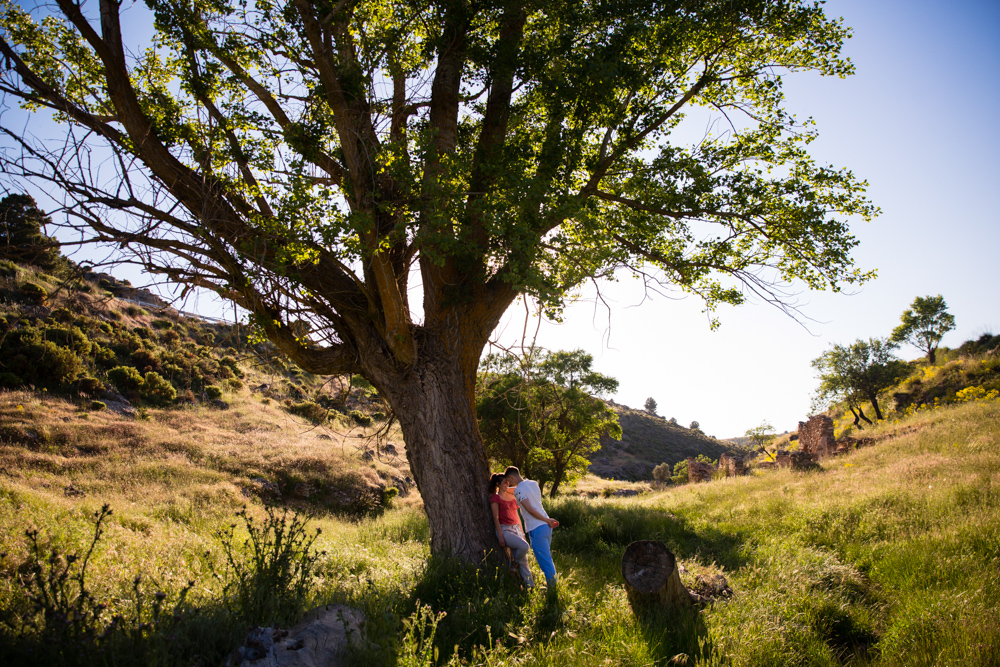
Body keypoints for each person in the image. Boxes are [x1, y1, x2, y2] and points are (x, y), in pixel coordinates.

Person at [504, 466, 559, 587]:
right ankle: (553, 586)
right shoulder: (533, 483)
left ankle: (552, 591)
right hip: (545, 527)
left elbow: (530, 510)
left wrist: (548, 520)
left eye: (508, 480)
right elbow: (514, 490)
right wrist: (547, 521)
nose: (508, 483)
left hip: (537, 527)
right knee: (547, 558)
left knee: (545, 562)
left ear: (512, 477)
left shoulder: (519, 491)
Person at [488, 472, 535, 588]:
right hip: (505, 530)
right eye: (505, 482)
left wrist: (522, 532)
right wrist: (501, 536)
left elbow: (517, 516)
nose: (507, 484)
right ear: (498, 484)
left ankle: (530, 587)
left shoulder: (512, 495)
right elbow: (496, 518)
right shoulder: (496, 498)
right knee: (524, 547)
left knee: (524, 561)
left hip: (516, 529)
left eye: (508, 482)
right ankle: (514, 564)